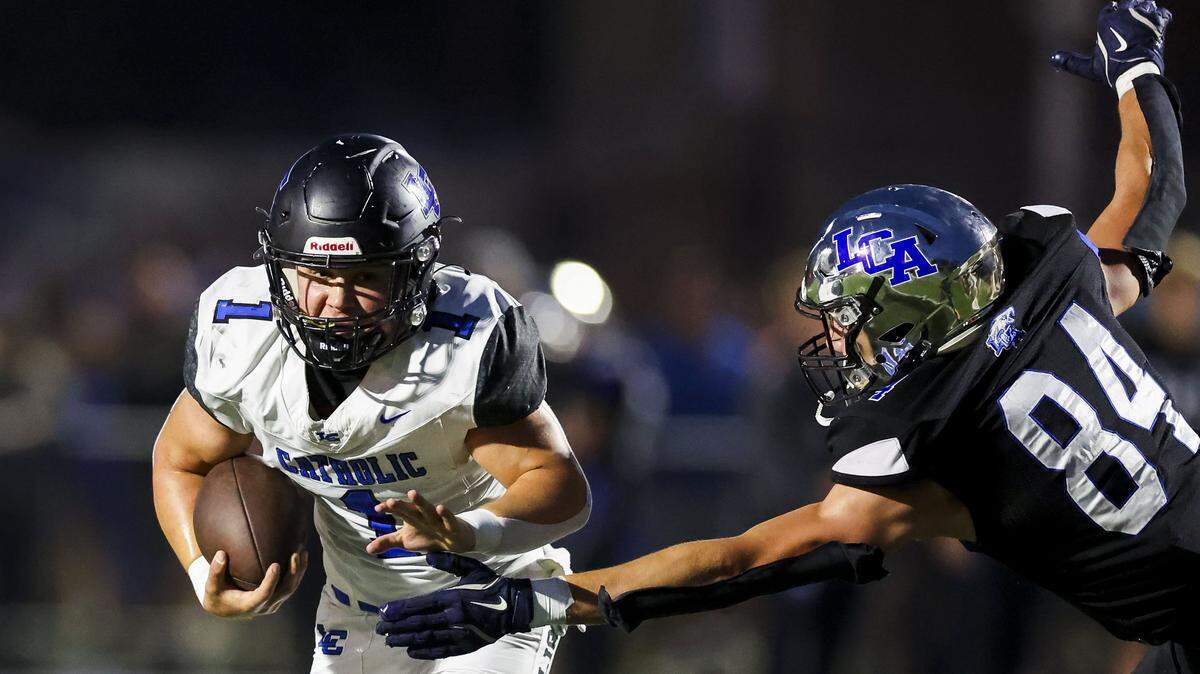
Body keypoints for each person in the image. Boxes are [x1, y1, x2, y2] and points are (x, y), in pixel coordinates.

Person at [376, 3, 1199, 671]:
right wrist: (1138, 64)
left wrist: (535, 602)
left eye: (847, 319)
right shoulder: (1059, 283)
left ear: (909, 313)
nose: (836, 341)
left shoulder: (924, 443)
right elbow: (1153, 187)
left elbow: (735, 562)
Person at [151, 133, 591, 673]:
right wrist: (202, 573)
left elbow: (564, 489)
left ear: (415, 271)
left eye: (364, 277)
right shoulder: (242, 334)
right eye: (316, 274)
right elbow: (180, 460)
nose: (336, 301)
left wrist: (470, 530)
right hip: (359, 612)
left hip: (488, 596)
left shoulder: (465, 343)